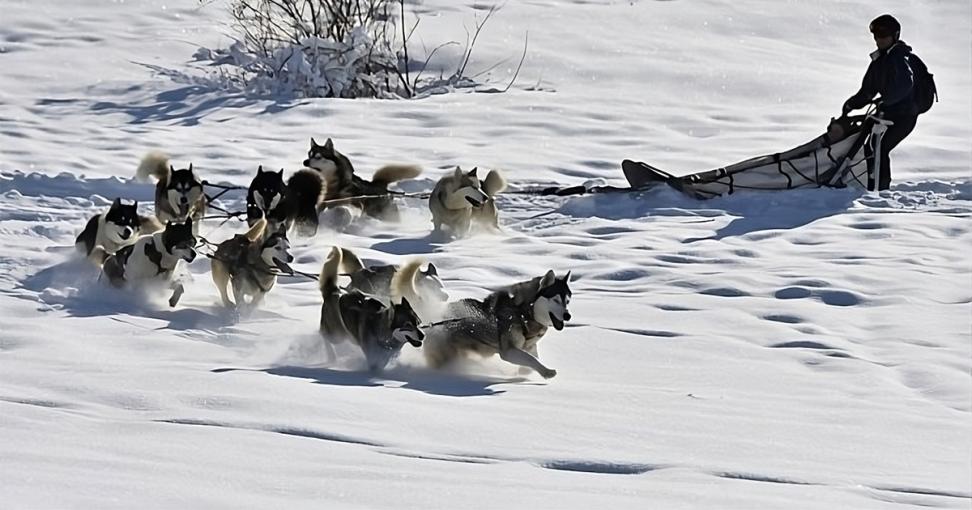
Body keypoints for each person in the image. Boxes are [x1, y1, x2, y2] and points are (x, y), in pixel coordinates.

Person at [842, 14, 919, 191]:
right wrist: (851, 104)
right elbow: (868, 90)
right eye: (876, 35)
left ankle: (881, 190)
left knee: (879, 148)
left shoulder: (899, 57)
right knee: (871, 147)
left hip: (905, 114)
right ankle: (873, 186)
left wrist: (885, 99)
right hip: (889, 111)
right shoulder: (880, 61)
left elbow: (905, 84)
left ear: (895, 35)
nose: (879, 39)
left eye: (883, 35)